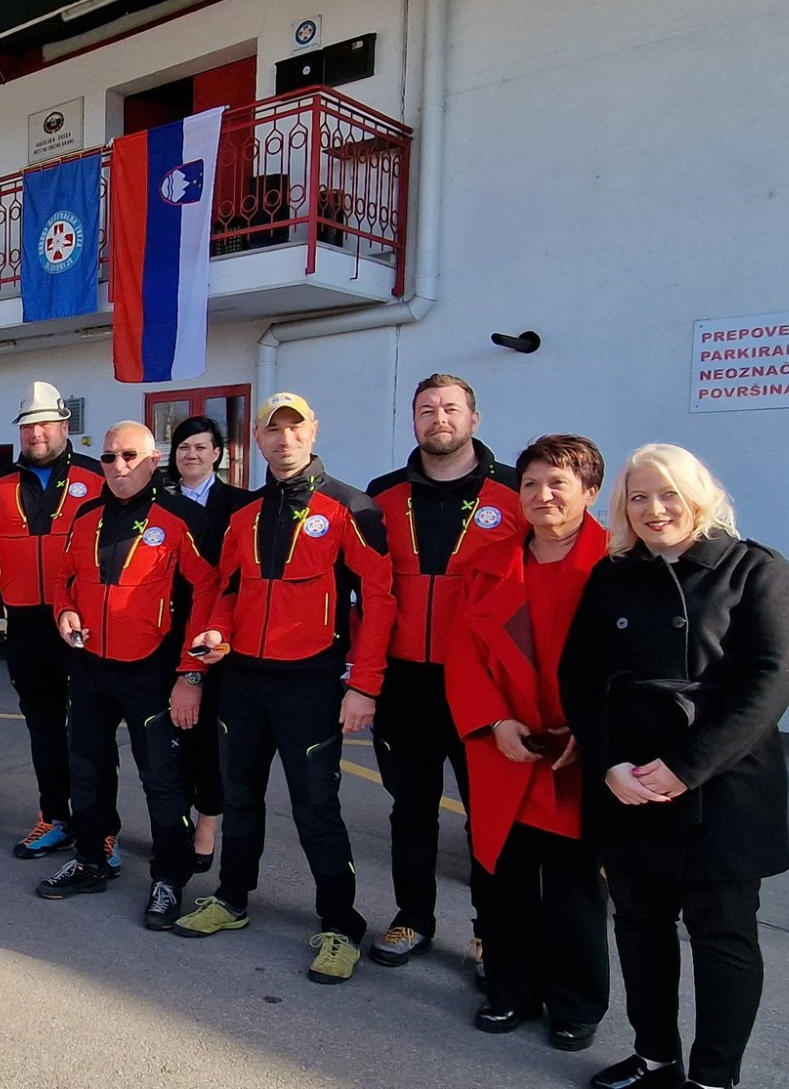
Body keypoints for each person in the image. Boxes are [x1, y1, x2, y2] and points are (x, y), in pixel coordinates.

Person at [561, 445, 789, 1089]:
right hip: (630, 781)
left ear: (698, 495)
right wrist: (609, 763)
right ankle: (655, 1057)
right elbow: (580, 677)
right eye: (638, 497)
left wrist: (686, 767)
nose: (654, 509)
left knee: (723, 938)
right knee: (640, 927)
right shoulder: (613, 574)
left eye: (668, 493)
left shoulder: (754, 568)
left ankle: (713, 1078)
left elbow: (771, 681)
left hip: (724, 786)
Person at [175, 392, 396, 986]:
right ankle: (232, 898)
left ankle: (340, 924)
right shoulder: (244, 514)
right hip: (244, 681)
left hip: (311, 684)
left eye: (294, 427)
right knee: (240, 798)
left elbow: (379, 601)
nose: (284, 438)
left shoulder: (351, 507)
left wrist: (364, 685)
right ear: (258, 439)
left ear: (312, 431)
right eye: (272, 430)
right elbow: (226, 589)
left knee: (316, 809)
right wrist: (216, 633)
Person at [444, 434, 612, 1049]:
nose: (542, 496)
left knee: (574, 887)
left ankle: (575, 1004)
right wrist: (494, 722)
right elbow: (463, 653)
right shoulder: (487, 563)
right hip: (505, 748)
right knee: (501, 877)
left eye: (557, 484)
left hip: (577, 751)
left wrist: (590, 730)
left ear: (590, 491)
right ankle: (509, 990)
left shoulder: (619, 565)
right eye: (531, 484)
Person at [364, 375, 522, 967]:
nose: (439, 419)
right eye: (426, 410)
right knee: (411, 809)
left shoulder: (515, 492)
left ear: (474, 419)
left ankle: (491, 932)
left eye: (451, 408)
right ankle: (412, 919)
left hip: (483, 685)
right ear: (414, 421)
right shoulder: (382, 496)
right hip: (405, 683)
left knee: (488, 814)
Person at [40, 421, 221, 931]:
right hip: (90, 666)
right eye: (109, 457)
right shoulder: (85, 516)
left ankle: (170, 878)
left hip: (153, 670)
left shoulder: (183, 517)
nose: (118, 466)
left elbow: (209, 595)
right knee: (88, 771)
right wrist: (64, 612)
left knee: (162, 780)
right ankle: (92, 860)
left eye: (129, 456)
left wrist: (191, 673)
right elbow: (63, 578)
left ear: (153, 459)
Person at [0, 381, 106, 859]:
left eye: (45, 425)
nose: (37, 434)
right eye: (28, 427)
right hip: (25, 627)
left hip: (82, 625)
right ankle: (54, 817)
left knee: (91, 731)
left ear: (65, 426)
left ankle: (100, 828)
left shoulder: (97, 477)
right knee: (43, 727)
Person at [161, 414, 255, 874]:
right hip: (165, 632)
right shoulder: (159, 502)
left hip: (218, 636)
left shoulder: (240, 505)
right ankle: (173, 820)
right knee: (170, 737)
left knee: (208, 740)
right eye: (183, 448)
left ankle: (207, 824)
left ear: (217, 453)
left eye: (201, 447)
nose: (192, 455)